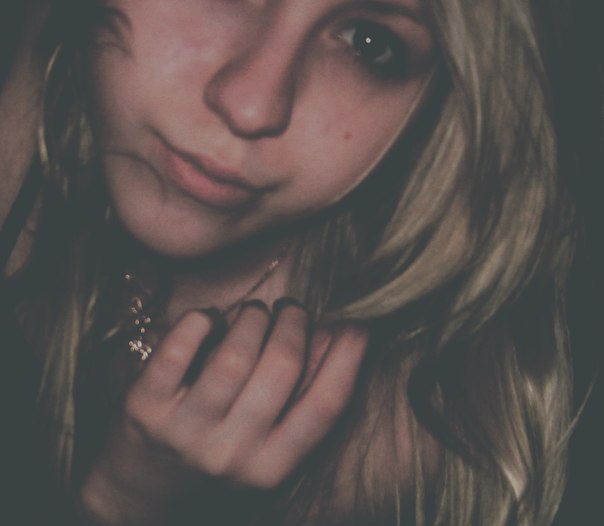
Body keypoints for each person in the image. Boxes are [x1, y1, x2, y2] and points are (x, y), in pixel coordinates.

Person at [0, 0, 599, 524]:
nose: (252, 106)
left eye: (369, 41)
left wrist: (122, 509)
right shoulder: (21, 137)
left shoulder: (392, 441)